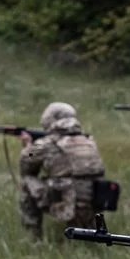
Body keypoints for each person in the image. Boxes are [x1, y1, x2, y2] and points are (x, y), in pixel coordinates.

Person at [18, 102, 105, 240]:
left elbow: (26, 166)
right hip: (95, 204)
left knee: (26, 183)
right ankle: (89, 232)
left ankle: (33, 237)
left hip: (68, 204)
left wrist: (27, 147)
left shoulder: (45, 144)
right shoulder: (89, 141)